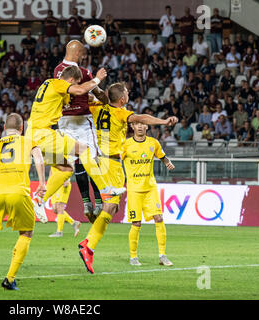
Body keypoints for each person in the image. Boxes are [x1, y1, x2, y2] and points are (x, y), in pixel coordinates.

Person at [78, 83, 178, 274]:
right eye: (127, 93)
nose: (129, 94)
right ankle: (88, 245)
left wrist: (95, 89)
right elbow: (142, 117)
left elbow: (92, 97)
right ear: (122, 100)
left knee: (112, 206)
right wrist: (164, 122)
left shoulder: (98, 107)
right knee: (111, 206)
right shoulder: (120, 113)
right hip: (112, 164)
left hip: (97, 160)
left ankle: (89, 242)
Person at [27, 66, 128, 226]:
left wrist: (93, 99)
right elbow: (80, 90)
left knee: (66, 169)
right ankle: (105, 190)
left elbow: (77, 97)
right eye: (76, 82)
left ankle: (39, 200)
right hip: (43, 134)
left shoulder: (47, 85)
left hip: (32, 136)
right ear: (72, 80)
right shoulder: (57, 83)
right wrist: (97, 79)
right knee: (84, 149)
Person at [0, 113, 46, 291]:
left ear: (4, 129)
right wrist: (42, 183)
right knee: (26, 233)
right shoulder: (27, 141)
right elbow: (39, 159)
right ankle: (9, 278)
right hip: (18, 193)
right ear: (22, 129)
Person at [54, 40, 109, 222]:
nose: (84, 57)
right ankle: (100, 200)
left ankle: (86, 202)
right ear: (78, 54)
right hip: (82, 121)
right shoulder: (84, 73)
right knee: (92, 160)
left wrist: (91, 94)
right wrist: (100, 85)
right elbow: (95, 92)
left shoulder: (57, 71)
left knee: (76, 162)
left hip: (63, 120)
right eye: (83, 54)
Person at [124, 121, 175, 267]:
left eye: (143, 124)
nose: (140, 126)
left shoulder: (153, 143)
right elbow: (115, 161)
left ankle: (162, 256)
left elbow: (162, 155)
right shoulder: (126, 145)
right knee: (136, 223)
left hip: (150, 188)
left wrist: (167, 162)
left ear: (147, 127)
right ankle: (133, 257)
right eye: (137, 124)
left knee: (159, 218)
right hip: (134, 189)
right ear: (132, 127)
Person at [48, 170, 81, 238]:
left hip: (63, 184)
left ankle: (59, 232)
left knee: (60, 207)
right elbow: (51, 170)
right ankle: (74, 223)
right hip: (55, 185)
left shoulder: (62, 159)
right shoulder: (51, 160)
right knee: (55, 209)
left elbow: (68, 167)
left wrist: (66, 179)